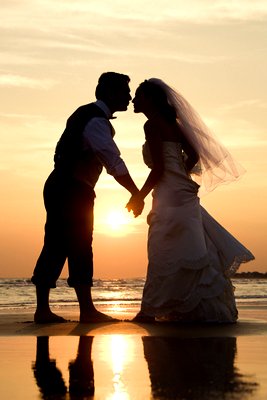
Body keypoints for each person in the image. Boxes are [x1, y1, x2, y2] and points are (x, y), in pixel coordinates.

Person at [127, 78, 255, 323]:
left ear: (150, 99)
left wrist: (138, 197)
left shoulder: (151, 125)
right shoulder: (174, 125)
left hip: (168, 192)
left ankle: (150, 310)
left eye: (139, 96)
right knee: (189, 245)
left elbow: (159, 169)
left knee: (162, 246)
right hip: (182, 190)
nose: (134, 100)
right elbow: (194, 154)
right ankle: (185, 306)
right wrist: (181, 174)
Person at [32, 72, 143, 323]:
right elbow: (113, 160)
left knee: (56, 243)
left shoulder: (85, 114)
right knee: (79, 244)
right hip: (72, 189)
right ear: (111, 93)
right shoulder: (96, 121)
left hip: (61, 185)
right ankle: (87, 311)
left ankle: (43, 310)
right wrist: (135, 193)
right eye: (125, 92)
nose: (129, 97)